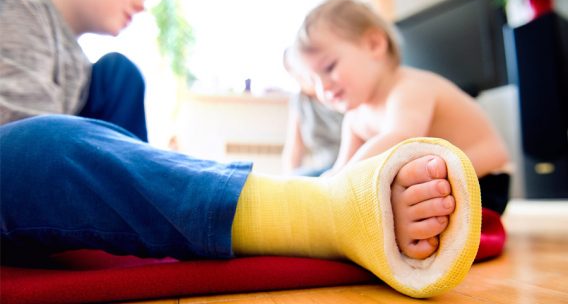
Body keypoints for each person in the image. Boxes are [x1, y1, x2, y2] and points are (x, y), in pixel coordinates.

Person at [0, 114, 482, 298]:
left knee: (116, 73)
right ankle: (328, 212)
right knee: (41, 145)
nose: (141, 0)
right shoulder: (21, 10)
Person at [295, 0, 511, 215]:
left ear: (374, 45)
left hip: (483, 181)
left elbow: (399, 140)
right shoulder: (355, 116)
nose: (323, 87)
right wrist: (327, 184)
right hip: (440, 181)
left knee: (398, 196)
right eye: (313, 81)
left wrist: (341, 180)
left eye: (329, 67)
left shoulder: (409, 87)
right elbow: (342, 167)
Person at [0, 0, 152, 141]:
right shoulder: (21, 7)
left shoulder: (90, 71)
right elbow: (23, 132)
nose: (141, 6)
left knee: (120, 75)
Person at [281, 47, 344, 177]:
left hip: (352, 165)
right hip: (324, 170)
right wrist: (286, 183)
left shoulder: (339, 89)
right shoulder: (300, 101)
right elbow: (294, 149)